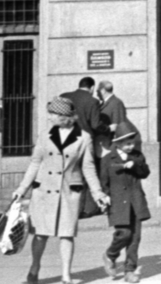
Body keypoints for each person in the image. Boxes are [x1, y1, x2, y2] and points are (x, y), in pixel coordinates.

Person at [12, 97, 110, 284]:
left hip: (68, 192)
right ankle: (35, 267)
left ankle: (66, 275)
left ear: (64, 116)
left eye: (53, 114)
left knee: (67, 234)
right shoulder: (45, 135)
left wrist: (97, 193)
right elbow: (35, 163)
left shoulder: (84, 138)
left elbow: (88, 168)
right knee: (40, 234)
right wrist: (22, 188)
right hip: (43, 190)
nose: (49, 117)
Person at [101, 122, 152, 283]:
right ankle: (110, 254)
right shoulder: (108, 159)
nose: (131, 146)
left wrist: (135, 165)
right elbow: (103, 181)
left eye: (132, 143)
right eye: (127, 144)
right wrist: (104, 196)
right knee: (124, 233)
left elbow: (145, 173)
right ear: (117, 143)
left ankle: (130, 270)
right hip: (117, 202)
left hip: (136, 201)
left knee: (135, 237)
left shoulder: (137, 156)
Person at [63, 77, 105, 149]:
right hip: (84, 141)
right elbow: (95, 125)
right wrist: (108, 129)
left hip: (64, 139)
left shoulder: (64, 96)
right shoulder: (93, 101)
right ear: (92, 87)